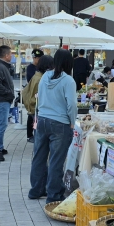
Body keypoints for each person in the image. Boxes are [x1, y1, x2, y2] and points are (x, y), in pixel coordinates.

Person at [28, 49, 77, 202]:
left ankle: (36, 190)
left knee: (39, 157)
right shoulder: (68, 80)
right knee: (56, 160)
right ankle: (54, 194)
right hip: (60, 123)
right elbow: (72, 105)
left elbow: (39, 98)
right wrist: (72, 122)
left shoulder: (45, 76)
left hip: (42, 120)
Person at [22, 55, 54, 144]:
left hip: (34, 108)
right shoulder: (41, 79)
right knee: (40, 137)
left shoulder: (37, 75)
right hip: (38, 109)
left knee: (38, 134)